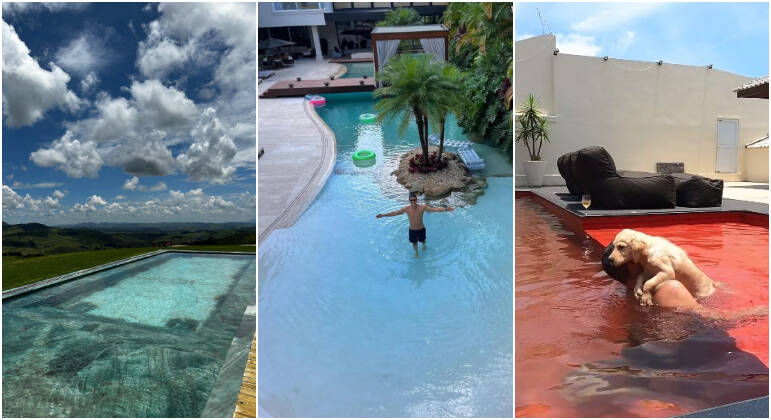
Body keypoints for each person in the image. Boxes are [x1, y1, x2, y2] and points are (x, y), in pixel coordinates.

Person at [376, 192, 454, 258]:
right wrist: (383, 215)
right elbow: (395, 213)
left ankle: (424, 246)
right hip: (412, 230)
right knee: (414, 243)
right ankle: (416, 252)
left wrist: (446, 209)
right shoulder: (406, 209)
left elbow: (435, 210)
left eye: (414, 199)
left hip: (421, 229)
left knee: (423, 240)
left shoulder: (422, 207)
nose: (413, 201)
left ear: (417, 199)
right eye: (411, 200)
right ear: (409, 200)